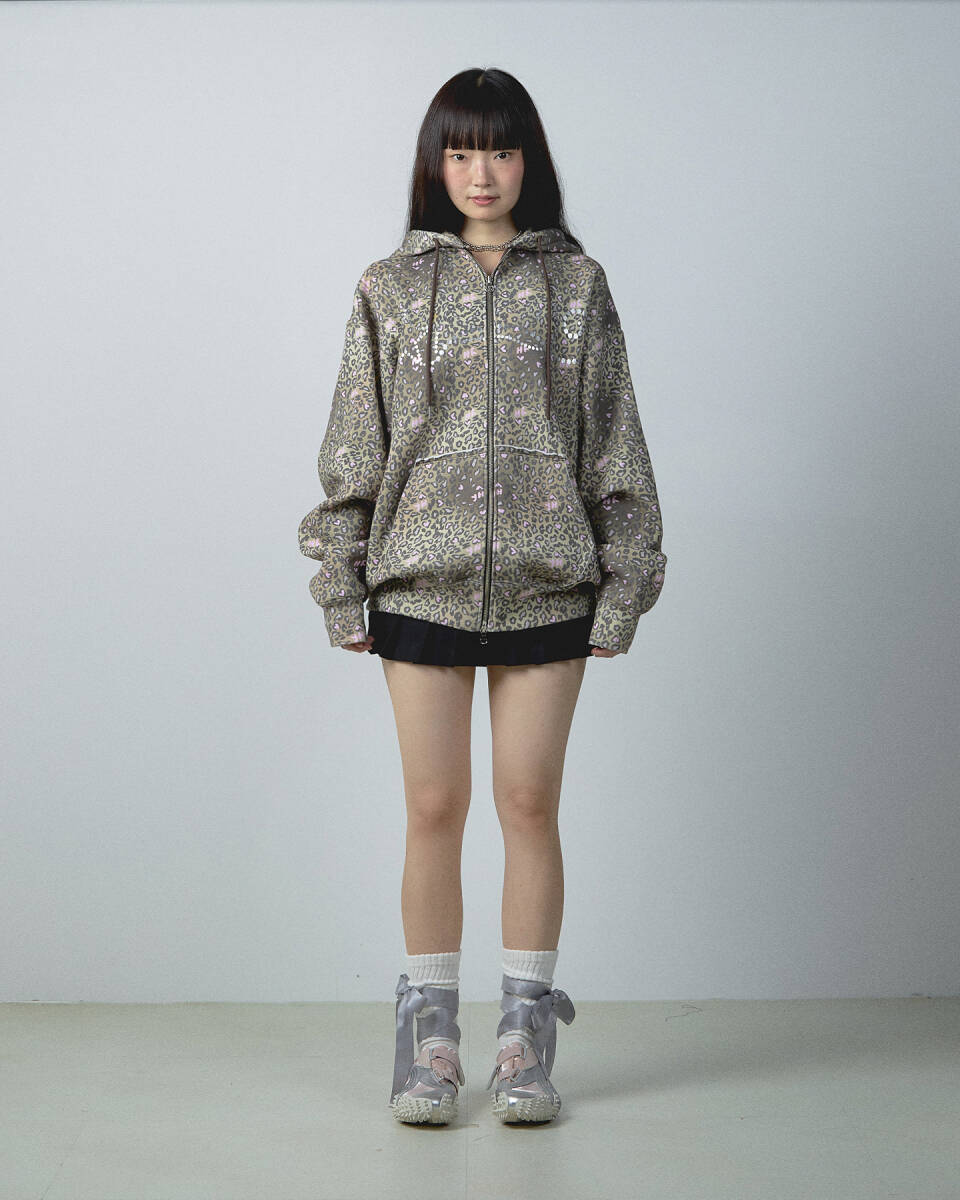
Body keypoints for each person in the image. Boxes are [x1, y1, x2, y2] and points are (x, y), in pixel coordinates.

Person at [297, 67, 667, 1125]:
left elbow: (614, 438)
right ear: (437, 163)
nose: (482, 173)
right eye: (461, 152)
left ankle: (522, 1042)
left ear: (527, 161)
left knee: (528, 804)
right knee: (433, 807)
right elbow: (355, 441)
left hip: (551, 583)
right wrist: (343, 581)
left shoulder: (577, 285)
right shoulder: (389, 287)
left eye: (500, 150)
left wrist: (623, 583)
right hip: (420, 579)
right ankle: (429, 1040)